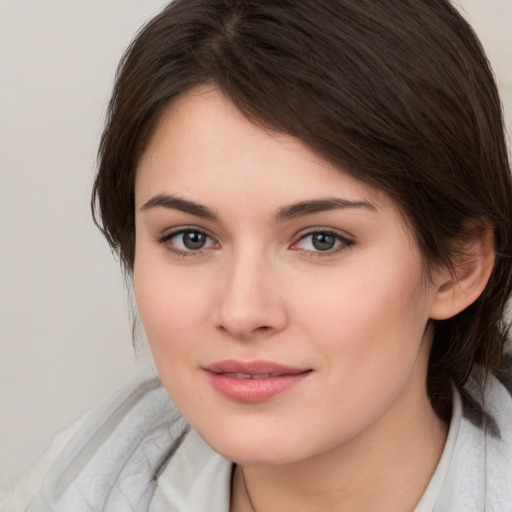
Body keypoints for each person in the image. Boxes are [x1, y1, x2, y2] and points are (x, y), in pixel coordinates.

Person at [6, 0, 512, 510]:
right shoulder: (72, 485)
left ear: (457, 266)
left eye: (322, 240)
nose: (242, 312)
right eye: (191, 238)